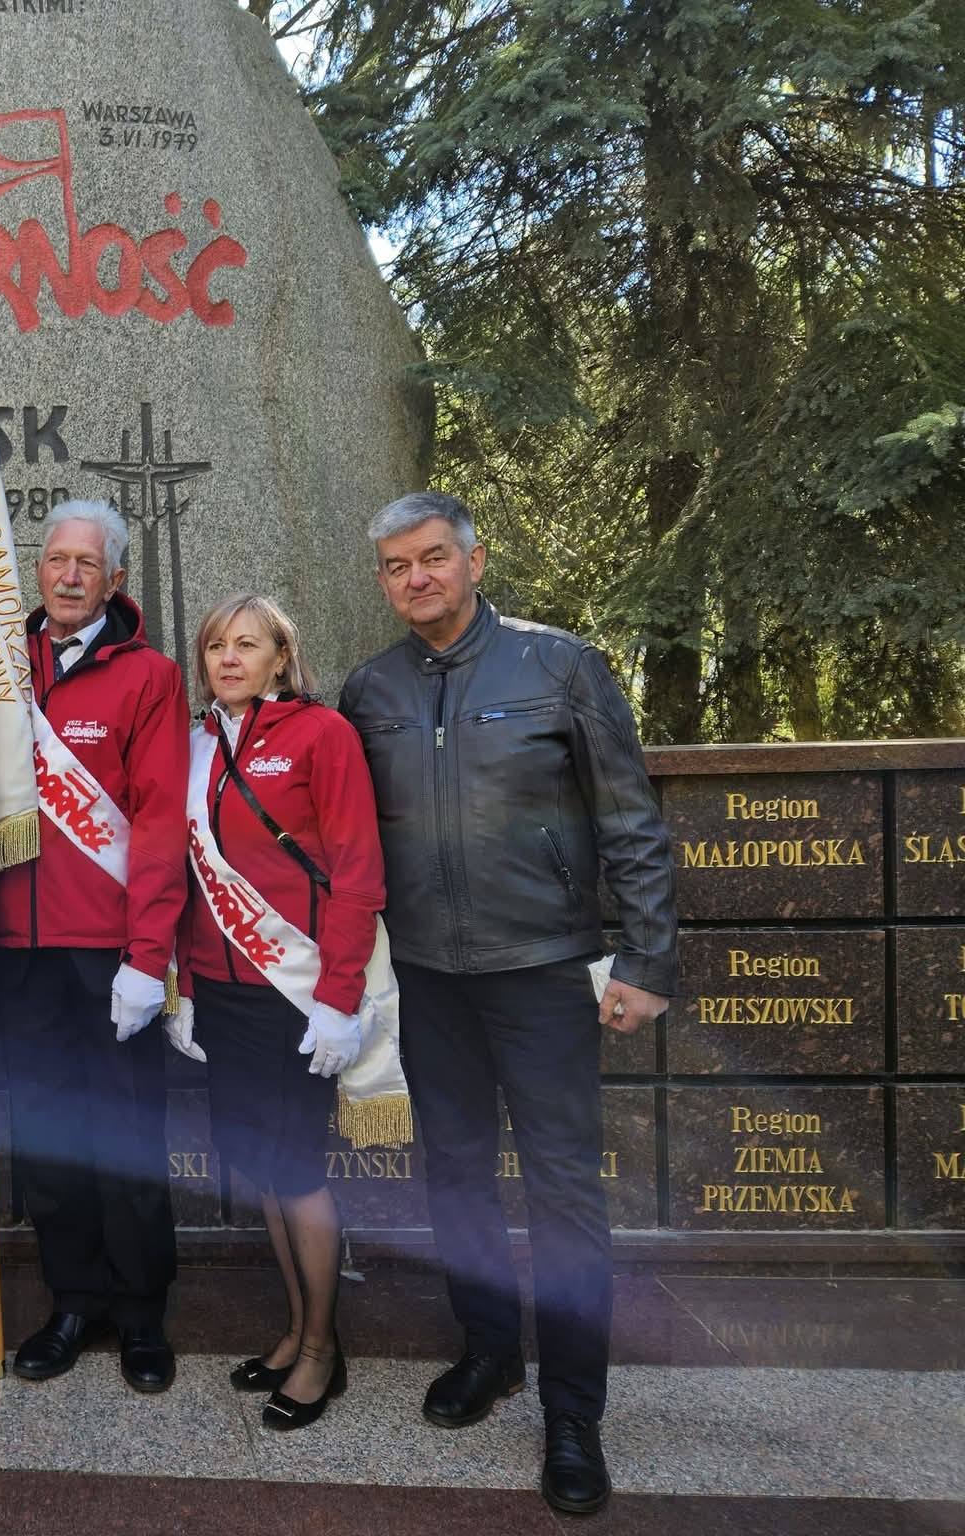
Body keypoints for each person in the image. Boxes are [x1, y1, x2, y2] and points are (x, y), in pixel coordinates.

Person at [339, 491, 677, 1515]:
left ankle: (573, 1414)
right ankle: (488, 1350)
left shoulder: (557, 665)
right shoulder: (370, 689)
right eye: (396, 566)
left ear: (474, 561)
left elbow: (629, 817)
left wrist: (645, 959)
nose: (416, 578)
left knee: (564, 1192)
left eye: (433, 557)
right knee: (453, 1176)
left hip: (541, 971)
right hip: (428, 977)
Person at [0, 499, 191, 1393]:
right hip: (15, 951)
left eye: (87, 564)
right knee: (46, 1139)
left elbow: (159, 824)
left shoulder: (150, 676)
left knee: (126, 1135)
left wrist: (148, 958)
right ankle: (71, 1301)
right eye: (56, 559)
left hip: (108, 953)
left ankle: (141, 1313)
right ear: (39, 570)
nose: (68, 576)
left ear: (115, 580)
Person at [176, 595, 385, 1431]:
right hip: (223, 990)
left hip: (295, 992)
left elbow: (358, 874)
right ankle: (296, 1329)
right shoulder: (196, 745)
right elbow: (191, 883)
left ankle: (324, 1350)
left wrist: (337, 1000)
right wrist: (187, 989)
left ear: (281, 658)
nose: (229, 658)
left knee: (298, 1171)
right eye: (215, 646)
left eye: (247, 644)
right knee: (262, 1166)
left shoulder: (321, 735)